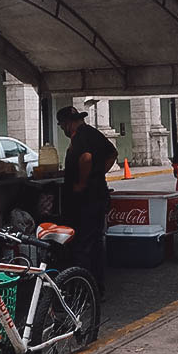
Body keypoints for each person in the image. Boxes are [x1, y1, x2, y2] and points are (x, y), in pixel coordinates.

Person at [57, 106, 118, 295]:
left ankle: (84, 289)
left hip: (85, 200)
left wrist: (83, 182)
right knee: (95, 243)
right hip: (97, 195)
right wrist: (99, 173)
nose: (63, 130)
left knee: (82, 245)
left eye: (62, 126)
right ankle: (96, 287)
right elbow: (112, 154)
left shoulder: (81, 136)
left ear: (68, 123)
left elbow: (86, 158)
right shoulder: (93, 133)